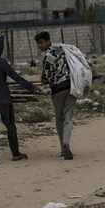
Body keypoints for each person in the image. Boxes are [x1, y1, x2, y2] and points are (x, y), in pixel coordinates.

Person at [0, 37, 37, 165]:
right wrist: (32, 88)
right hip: (4, 100)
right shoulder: (2, 62)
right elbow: (16, 78)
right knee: (10, 126)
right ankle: (16, 154)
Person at [35, 32, 77, 160]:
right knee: (68, 117)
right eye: (38, 43)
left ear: (48, 41)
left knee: (59, 118)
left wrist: (41, 82)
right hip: (71, 86)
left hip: (58, 90)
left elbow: (46, 77)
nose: (40, 46)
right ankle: (66, 144)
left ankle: (63, 148)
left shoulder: (48, 56)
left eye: (41, 42)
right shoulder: (63, 50)